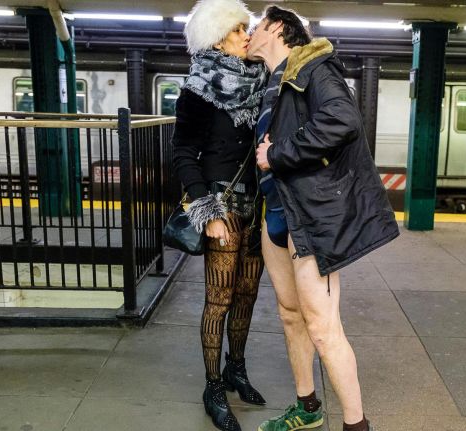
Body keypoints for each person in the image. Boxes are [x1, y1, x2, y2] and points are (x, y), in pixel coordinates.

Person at [247, 6, 399, 431]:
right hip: (276, 211)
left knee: (321, 325)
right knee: (290, 314)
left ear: (278, 27)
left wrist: (276, 154)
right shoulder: (270, 81)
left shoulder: (315, 67)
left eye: (256, 25)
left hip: (309, 218)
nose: (250, 33)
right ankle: (307, 407)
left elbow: (342, 121)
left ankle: (356, 425)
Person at [171, 0, 268, 429]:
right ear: (217, 40)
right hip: (221, 203)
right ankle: (213, 386)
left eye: (246, 28)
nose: (247, 35)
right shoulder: (198, 87)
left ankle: (236, 369)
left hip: (258, 205)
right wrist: (203, 208)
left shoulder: (264, 81)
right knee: (220, 298)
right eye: (237, 30)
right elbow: (181, 152)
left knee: (248, 294)